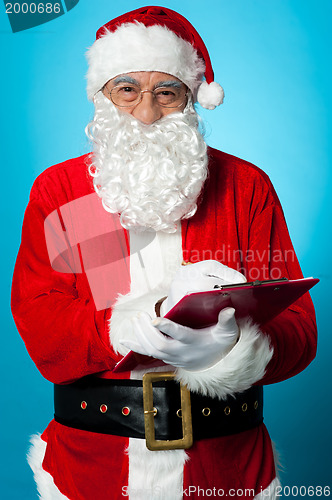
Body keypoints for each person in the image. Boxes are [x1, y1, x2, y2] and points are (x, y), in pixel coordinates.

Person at [11, 6, 317, 500]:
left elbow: (300, 330)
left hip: (228, 470)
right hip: (90, 468)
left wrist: (234, 348)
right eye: (127, 89)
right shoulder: (61, 191)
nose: (147, 113)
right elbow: (41, 325)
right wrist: (130, 326)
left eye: (166, 93)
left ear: (191, 101)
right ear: (102, 97)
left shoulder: (246, 187)